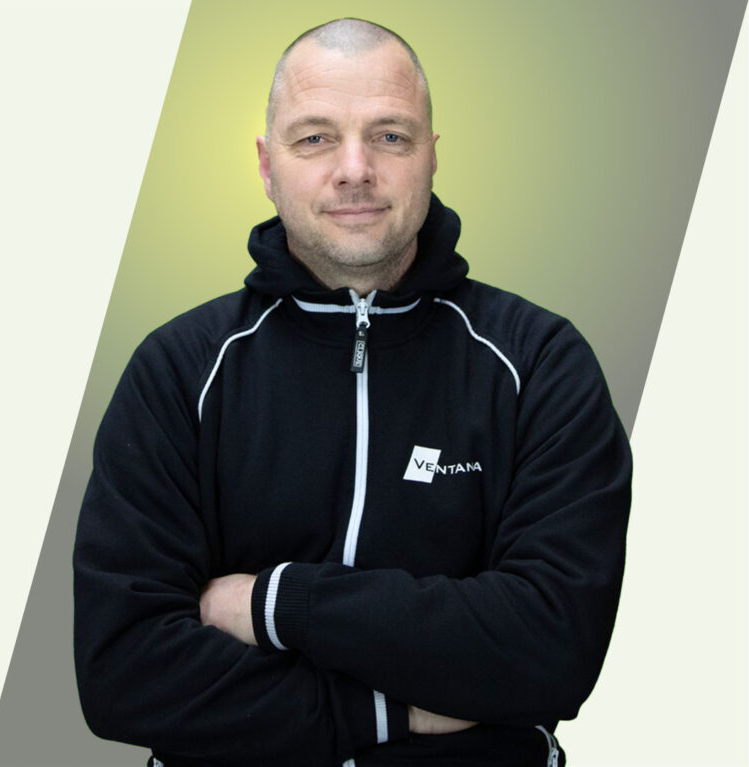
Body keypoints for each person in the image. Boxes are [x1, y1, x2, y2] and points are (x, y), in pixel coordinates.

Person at [73, 17, 632, 767]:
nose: (355, 169)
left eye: (390, 136)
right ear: (267, 166)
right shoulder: (179, 370)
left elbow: (553, 649)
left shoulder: (539, 364)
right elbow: (124, 673)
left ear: (432, 156)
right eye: (315, 138)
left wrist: (274, 603)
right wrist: (390, 711)